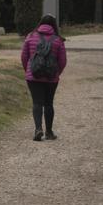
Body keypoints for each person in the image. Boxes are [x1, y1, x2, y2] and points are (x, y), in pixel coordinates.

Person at [21, 14, 67, 142]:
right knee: (49, 103)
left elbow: (24, 57)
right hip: (51, 77)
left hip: (33, 76)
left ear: (40, 23)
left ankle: (38, 129)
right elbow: (62, 61)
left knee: (37, 102)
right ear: (54, 25)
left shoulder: (30, 37)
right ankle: (49, 132)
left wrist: (28, 71)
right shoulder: (58, 40)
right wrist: (57, 73)